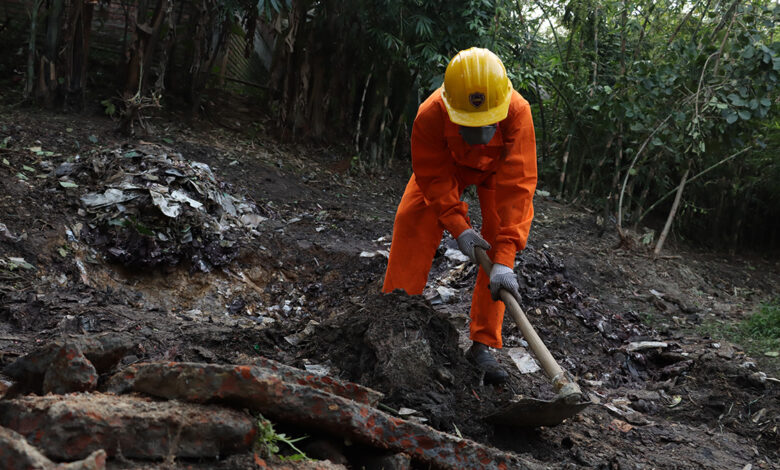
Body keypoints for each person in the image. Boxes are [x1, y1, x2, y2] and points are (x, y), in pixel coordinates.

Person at [382, 47, 538, 385]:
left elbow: (518, 186)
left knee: (498, 240)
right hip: (447, 169)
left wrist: (505, 260)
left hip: (496, 175)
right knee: (413, 220)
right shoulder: (430, 113)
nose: (480, 135)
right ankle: (394, 322)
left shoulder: (518, 112)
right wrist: (458, 226)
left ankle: (483, 345)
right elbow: (432, 176)